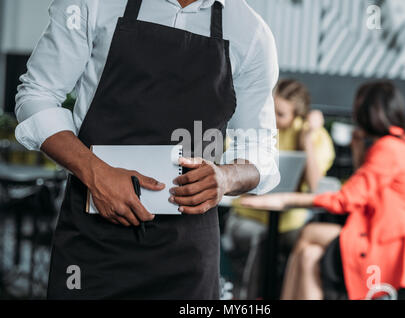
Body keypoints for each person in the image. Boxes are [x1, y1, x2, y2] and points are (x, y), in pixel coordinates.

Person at [14, 0, 281, 299]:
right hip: (92, 243)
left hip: (188, 255)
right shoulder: (93, 3)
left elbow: (259, 148)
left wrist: (226, 178)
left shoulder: (252, 32)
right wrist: (95, 172)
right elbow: (37, 95)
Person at [241, 81, 405, 300]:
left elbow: (346, 199)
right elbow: (364, 188)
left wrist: (282, 199)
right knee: (309, 255)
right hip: (397, 241)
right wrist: (358, 151)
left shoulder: (388, 148)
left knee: (309, 233)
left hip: (391, 247)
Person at [224, 79, 335, 299]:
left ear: (297, 116)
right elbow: (229, 170)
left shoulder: (312, 135)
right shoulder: (252, 125)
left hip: (289, 222)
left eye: (281, 114)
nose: (273, 118)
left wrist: (307, 140)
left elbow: (314, 185)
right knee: (256, 240)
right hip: (248, 215)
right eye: (271, 110)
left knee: (304, 251)